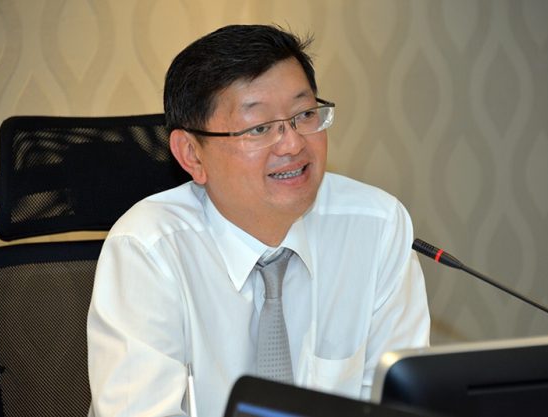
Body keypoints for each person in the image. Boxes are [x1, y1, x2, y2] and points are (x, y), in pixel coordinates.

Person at [87, 24, 430, 417]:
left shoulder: (377, 226)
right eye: (260, 128)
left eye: (305, 114)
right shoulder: (148, 249)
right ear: (192, 155)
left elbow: (396, 405)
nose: (293, 144)